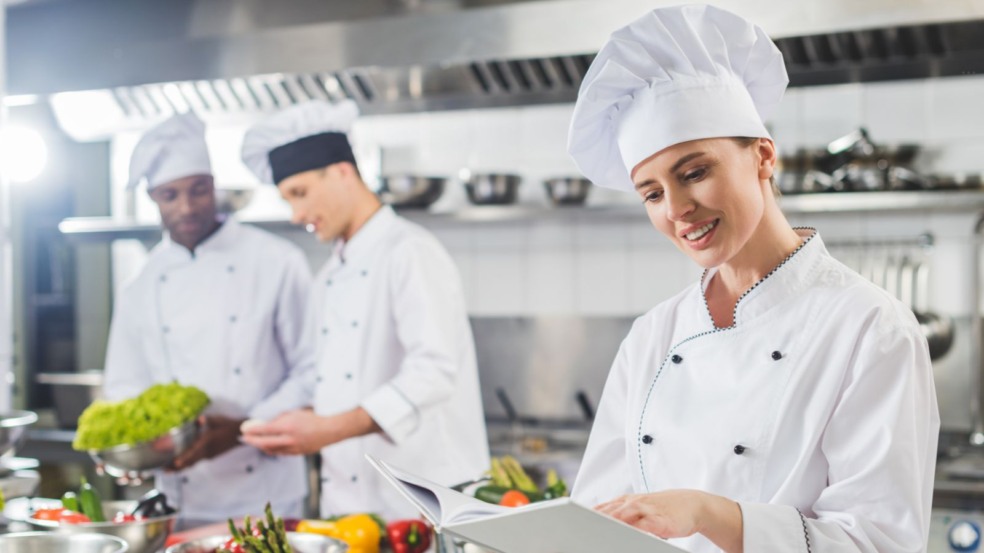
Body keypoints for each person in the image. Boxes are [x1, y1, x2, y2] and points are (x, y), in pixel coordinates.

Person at [566, 5, 939, 553]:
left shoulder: (869, 328)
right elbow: (598, 526)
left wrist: (710, 514)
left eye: (695, 172)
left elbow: (879, 545)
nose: (677, 209)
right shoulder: (653, 334)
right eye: (651, 193)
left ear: (763, 156)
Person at [237, 100, 490, 519]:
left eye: (299, 193)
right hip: (351, 510)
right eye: (287, 200)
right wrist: (254, 425)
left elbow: (434, 371)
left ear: (342, 172)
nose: (297, 214)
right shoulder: (329, 278)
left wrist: (326, 430)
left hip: (424, 507)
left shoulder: (409, 251)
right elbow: (322, 381)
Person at [103, 112, 314, 521]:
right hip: (180, 496)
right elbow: (125, 386)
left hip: (265, 490)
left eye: (198, 190)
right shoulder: (142, 284)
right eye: (170, 195)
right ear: (153, 198)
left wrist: (245, 428)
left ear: (215, 186)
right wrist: (127, 448)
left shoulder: (277, 261)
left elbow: (311, 371)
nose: (187, 207)